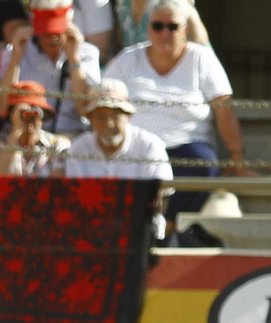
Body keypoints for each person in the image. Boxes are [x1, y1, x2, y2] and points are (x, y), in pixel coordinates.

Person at [103, 0, 243, 223]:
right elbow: (103, 100)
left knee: (204, 164)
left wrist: (237, 157)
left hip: (187, 147)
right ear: (148, 29)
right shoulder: (127, 59)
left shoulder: (202, 59)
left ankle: (166, 225)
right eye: (158, 26)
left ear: (185, 30)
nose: (165, 32)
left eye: (173, 26)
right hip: (137, 148)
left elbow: (224, 107)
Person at [0, 0, 100, 134]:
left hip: (70, 137)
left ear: (71, 22)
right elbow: (0, 109)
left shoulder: (87, 53)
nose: (52, 37)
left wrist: (74, 59)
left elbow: (84, 110)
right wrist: (16, 59)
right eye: (45, 31)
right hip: (22, 136)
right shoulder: (13, 52)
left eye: (57, 30)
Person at [62, 78, 171, 187]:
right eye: (100, 117)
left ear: (128, 116)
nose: (109, 123)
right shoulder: (78, 149)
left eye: (115, 116)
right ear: (91, 119)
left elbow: (161, 195)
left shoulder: (150, 146)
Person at [0, 80, 67, 175]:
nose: (30, 118)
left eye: (36, 112)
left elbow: (58, 185)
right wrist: (16, 132)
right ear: (12, 115)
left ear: (43, 116)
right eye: (23, 113)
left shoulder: (54, 144)